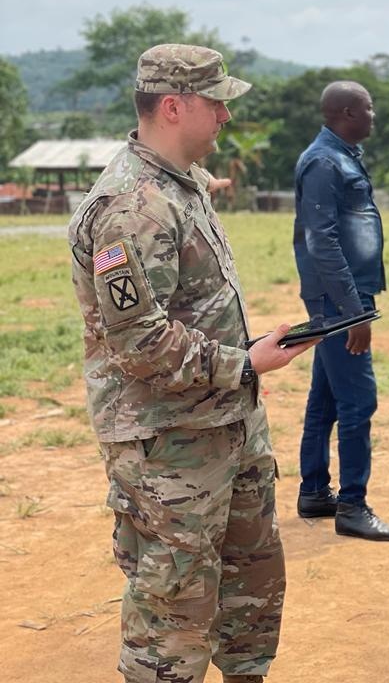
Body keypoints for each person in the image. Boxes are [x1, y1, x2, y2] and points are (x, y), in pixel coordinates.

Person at [68, 44, 316, 683]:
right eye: (217, 103)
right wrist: (244, 364)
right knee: (172, 612)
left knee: (248, 590)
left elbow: (189, 311)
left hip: (224, 423)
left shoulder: (183, 186)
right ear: (174, 107)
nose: (226, 117)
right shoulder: (130, 207)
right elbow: (140, 342)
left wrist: (249, 357)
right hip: (167, 443)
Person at [293, 80, 389, 541]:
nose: (373, 116)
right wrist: (354, 314)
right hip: (340, 299)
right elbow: (322, 241)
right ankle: (353, 506)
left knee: (326, 398)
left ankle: (315, 491)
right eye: (368, 108)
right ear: (345, 112)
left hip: (342, 297)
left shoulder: (339, 155)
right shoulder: (324, 161)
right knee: (359, 401)